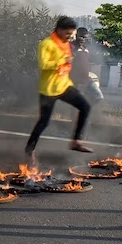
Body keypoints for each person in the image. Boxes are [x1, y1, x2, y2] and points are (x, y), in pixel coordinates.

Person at [25, 16, 93, 162]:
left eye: (71, 34)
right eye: (68, 33)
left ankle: (76, 141)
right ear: (59, 30)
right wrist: (63, 61)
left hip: (64, 85)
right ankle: (29, 149)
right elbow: (43, 65)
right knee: (44, 121)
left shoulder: (66, 44)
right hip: (49, 89)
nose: (70, 37)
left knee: (85, 107)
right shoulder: (46, 44)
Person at [71, 27, 103, 103]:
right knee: (77, 101)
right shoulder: (71, 47)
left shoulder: (85, 48)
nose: (82, 39)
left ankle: (88, 109)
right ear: (76, 35)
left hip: (86, 79)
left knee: (98, 96)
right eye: (81, 36)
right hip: (75, 79)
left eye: (84, 37)